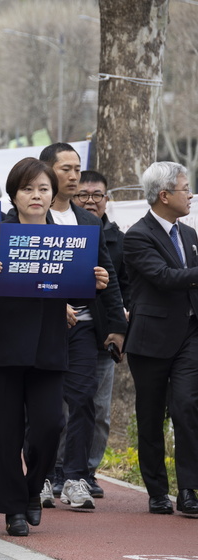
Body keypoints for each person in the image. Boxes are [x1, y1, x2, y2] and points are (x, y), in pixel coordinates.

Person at [0, 157, 108, 536]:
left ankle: (33, 490)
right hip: (0, 349)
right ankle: (14, 508)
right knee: (3, 434)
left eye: (43, 189)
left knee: (50, 425)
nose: (36, 195)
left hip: (48, 347)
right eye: (28, 188)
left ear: (53, 195)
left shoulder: (70, 239)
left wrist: (96, 283)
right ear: (14, 194)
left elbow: (80, 290)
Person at [38, 143, 126, 510]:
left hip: (86, 329)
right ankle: (41, 476)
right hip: (41, 328)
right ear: (46, 171)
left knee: (83, 401)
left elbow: (109, 276)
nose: (74, 176)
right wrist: (53, 307)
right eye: (66, 169)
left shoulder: (89, 222)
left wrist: (118, 325)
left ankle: (75, 479)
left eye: (77, 168)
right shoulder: (27, 217)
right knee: (44, 407)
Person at [123, 161, 198, 517]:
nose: (191, 195)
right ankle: (156, 489)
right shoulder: (137, 235)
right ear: (165, 195)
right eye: (186, 189)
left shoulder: (190, 234)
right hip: (151, 339)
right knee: (151, 416)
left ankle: (189, 489)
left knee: (186, 407)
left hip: (190, 336)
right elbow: (165, 277)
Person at [75, 170, 130, 497]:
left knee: (99, 411)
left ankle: (89, 471)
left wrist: (120, 324)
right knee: (64, 409)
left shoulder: (116, 238)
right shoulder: (65, 229)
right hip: (69, 330)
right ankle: (58, 471)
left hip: (104, 336)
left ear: (107, 199)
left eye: (97, 195)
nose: (91, 201)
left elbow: (125, 287)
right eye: (84, 195)